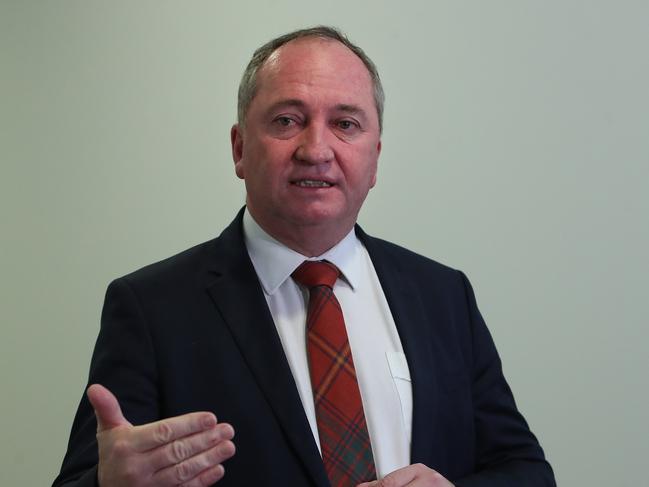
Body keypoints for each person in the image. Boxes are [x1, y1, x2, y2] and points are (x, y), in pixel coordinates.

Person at [53, 26, 555, 487]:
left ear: (375, 157)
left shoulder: (443, 296)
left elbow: (527, 471)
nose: (316, 149)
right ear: (239, 149)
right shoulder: (150, 308)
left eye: (345, 123)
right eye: (287, 120)